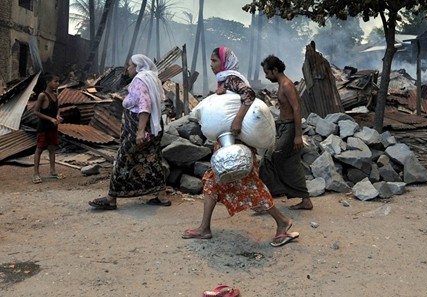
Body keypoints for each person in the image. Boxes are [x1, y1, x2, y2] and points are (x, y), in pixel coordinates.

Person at [182, 47, 299, 247]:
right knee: (212, 182)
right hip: (227, 144)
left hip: (236, 145)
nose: (211, 64)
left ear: (224, 62)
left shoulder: (231, 78)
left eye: (214, 60)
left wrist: (237, 120)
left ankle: (282, 222)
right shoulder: (225, 81)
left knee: (250, 185)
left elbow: (248, 94)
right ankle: (204, 228)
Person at [88, 54, 170, 210]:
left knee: (122, 158)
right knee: (152, 158)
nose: (128, 68)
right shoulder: (153, 78)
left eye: (131, 65)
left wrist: (139, 131)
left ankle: (111, 198)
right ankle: (162, 196)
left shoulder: (140, 80)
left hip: (139, 128)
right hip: (153, 127)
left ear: (138, 66)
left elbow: (144, 105)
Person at [258, 55, 312, 209]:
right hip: (283, 127)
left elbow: (297, 109)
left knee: (269, 158)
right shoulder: (282, 84)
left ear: (275, 70)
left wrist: (297, 136)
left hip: (289, 128)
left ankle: (265, 199)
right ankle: (305, 200)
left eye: (267, 73)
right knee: (291, 163)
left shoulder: (287, 85)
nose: (267, 76)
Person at [32, 73, 63, 184]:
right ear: (48, 82)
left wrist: (58, 116)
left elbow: (57, 108)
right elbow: (36, 111)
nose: (57, 84)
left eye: (58, 81)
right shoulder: (42, 95)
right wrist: (50, 119)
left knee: (52, 148)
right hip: (43, 127)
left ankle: (53, 170)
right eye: (55, 81)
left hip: (53, 127)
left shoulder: (55, 95)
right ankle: (36, 174)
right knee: (39, 149)